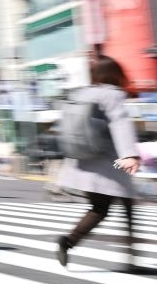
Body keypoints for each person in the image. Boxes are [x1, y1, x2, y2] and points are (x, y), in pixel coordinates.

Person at [56, 56, 143, 272]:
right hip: (110, 165)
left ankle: (68, 242)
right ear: (116, 74)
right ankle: (131, 261)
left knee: (100, 208)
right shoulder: (112, 95)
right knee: (124, 210)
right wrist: (129, 155)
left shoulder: (81, 93)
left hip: (82, 163)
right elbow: (120, 125)